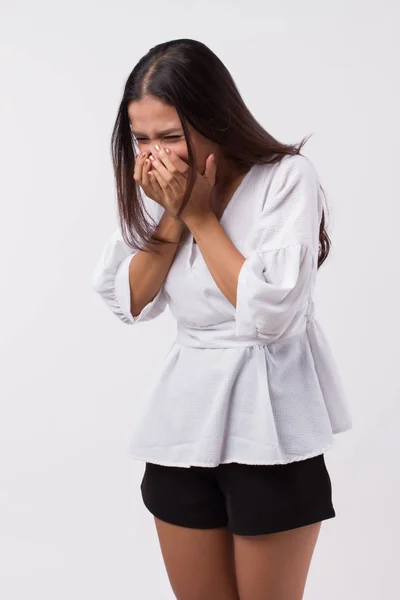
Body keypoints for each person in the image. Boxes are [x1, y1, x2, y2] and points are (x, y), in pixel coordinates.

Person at [91, 38, 353, 600]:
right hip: (182, 430)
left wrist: (200, 215)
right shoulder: (160, 191)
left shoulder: (285, 178)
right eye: (141, 139)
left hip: (272, 428)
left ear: (213, 119)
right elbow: (130, 301)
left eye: (169, 136)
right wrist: (171, 214)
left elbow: (271, 315)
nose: (155, 155)